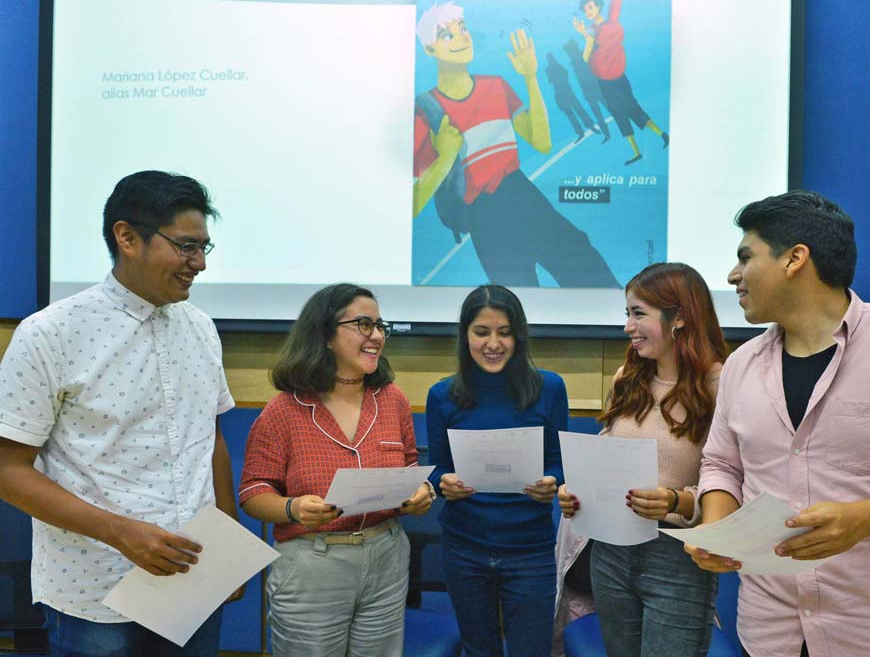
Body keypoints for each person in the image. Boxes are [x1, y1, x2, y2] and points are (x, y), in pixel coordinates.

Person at [686, 190, 870, 657]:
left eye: (745, 257)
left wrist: (865, 520)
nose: (732, 276)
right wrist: (716, 528)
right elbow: (722, 466)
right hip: (771, 636)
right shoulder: (740, 365)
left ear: (795, 259)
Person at [0, 170, 240, 656]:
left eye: (203, 249)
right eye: (186, 247)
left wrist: (229, 550)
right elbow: (7, 470)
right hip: (96, 587)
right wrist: (122, 533)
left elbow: (208, 439)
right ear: (127, 237)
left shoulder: (201, 327)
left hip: (193, 578)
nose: (199, 264)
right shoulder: (50, 334)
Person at [238, 284, 433, 656]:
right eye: (363, 324)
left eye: (380, 326)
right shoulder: (284, 410)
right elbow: (252, 492)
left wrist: (422, 493)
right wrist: (293, 509)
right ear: (326, 334)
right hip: (314, 564)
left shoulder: (392, 399)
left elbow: (410, 466)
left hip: (386, 557)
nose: (376, 336)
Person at [558, 263, 726, 656]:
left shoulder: (724, 383)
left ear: (680, 317)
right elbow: (610, 448)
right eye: (626, 314)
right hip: (610, 551)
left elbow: (735, 478)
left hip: (676, 555)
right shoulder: (626, 379)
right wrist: (576, 489)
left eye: (638, 313)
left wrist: (675, 500)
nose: (627, 327)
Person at [413, 0, 619, 288]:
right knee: (517, 302)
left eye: (463, 28)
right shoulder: (427, 110)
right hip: (485, 218)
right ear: (429, 48)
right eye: (448, 34)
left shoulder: (495, 86)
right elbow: (411, 203)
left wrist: (530, 77)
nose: (462, 37)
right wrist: (445, 157)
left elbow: (542, 142)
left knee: (585, 262)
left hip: (522, 194)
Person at [426, 285, 567, 656]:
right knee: (479, 650)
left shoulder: (549, 388)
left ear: (518, 336)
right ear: (465, 336)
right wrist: (443, 482)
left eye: (504, 332)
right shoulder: (442, 395)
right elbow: (437, 468)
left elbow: (559, 461)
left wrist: (552, 481)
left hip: (530, 549)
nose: (493, 343)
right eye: (481, 332)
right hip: (464, 547)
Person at [572, 0, 669, 165]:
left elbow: (586, 55)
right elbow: (600, 42)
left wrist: (586, 36)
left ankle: (656, 138)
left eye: (591, 7)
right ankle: (651, 143)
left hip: (610, 83)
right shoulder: (598, 28)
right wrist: (585, 33)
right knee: (628, 110)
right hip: (615, 80)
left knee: (626, 112)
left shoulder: (595, 30)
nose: (588, 11)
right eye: (586, 9)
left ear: (599, 7)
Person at [545, 51, 601, 144]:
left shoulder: (548, 70)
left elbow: (550, 80)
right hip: (568, 91)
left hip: (560, 93)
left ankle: (581, 132)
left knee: (572, 115)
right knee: (579, 111)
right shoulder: (560, 67)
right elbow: (565, 76)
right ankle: (590, 127)